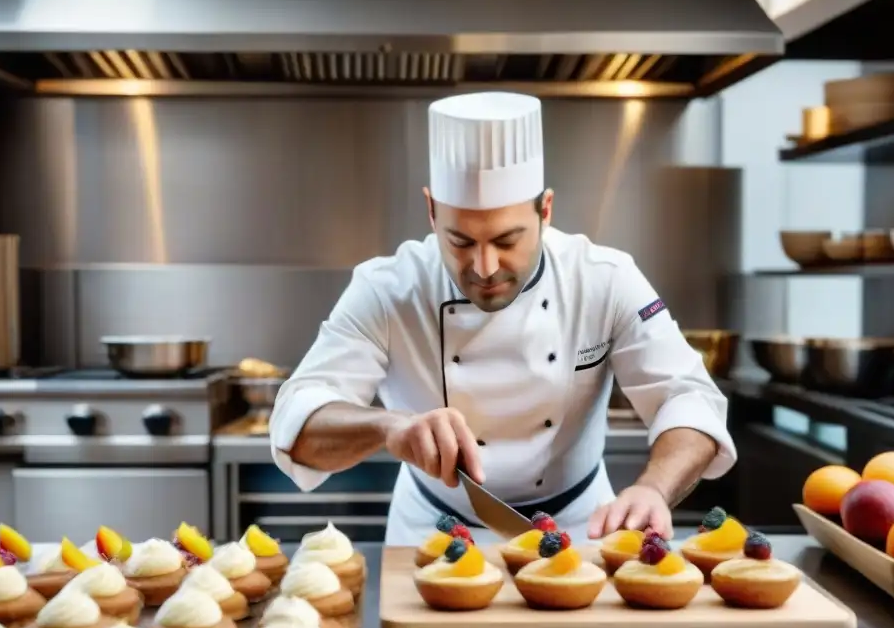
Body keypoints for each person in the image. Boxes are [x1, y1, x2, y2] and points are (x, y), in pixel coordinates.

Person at [269, 91, 736, 546]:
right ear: (431, 211)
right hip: (430, 537)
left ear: (546, 211)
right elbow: (297, 419)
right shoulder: (387, 290)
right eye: (461, 243)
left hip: (581, 532)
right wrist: (389, 428)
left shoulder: (604, 279)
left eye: (508, 240)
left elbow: (689, 397)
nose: (485, 267)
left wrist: (654, 488)